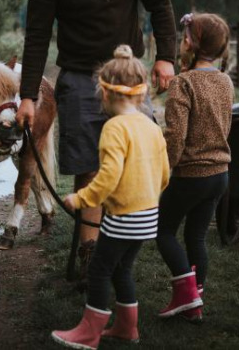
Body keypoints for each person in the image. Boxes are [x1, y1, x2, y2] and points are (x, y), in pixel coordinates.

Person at [15, 0, 176, 277]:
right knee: (89, 166)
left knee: (137, 160)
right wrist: (27, 96)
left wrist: (166, 57)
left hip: (128, 73)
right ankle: (91, 255)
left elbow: (159, 1)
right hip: (79, 78)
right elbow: (37, 36)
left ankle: (124, 249)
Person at [50, 45, 170, 349]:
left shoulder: (114, 128)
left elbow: (107, 177)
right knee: (121, 269)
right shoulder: (151, 127)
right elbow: (165, 173)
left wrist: (81, 199)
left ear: (103, 93)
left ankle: (89, 333)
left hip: (123, 218)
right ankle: (127, 328)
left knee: (99, 271)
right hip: (149, 216)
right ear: (142, 92)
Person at [155, 13, 234, 323]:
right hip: (220, 175)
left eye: (184, 37)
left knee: (163, 231)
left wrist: (163, 171)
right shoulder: (225, 81)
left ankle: (187, 295)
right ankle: (194, 302)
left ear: (190, 43)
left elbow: (175, 137)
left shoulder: (183, 83)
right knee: (196, 237)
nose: (181, 42)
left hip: (191, 175)